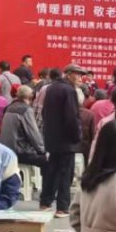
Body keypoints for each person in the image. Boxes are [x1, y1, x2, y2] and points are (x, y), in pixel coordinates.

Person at [40, 65, 86, 217]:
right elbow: (72, 117)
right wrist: (77, 136)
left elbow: (44, 112)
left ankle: (45, 202)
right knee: (65, 173)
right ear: (69, 74)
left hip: (52, 137)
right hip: (66, 140)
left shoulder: (51, 88)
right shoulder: (69, 90)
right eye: (78, 75)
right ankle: (62, 207)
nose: (80, 78)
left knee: (52, 171)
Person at [0, 85, 47, 170]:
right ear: (30, 97)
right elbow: (34, 134)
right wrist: (43, 150)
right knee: (47, 159)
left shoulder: (9, 107)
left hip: (5, 149)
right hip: (19, 151)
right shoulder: (26, 110)